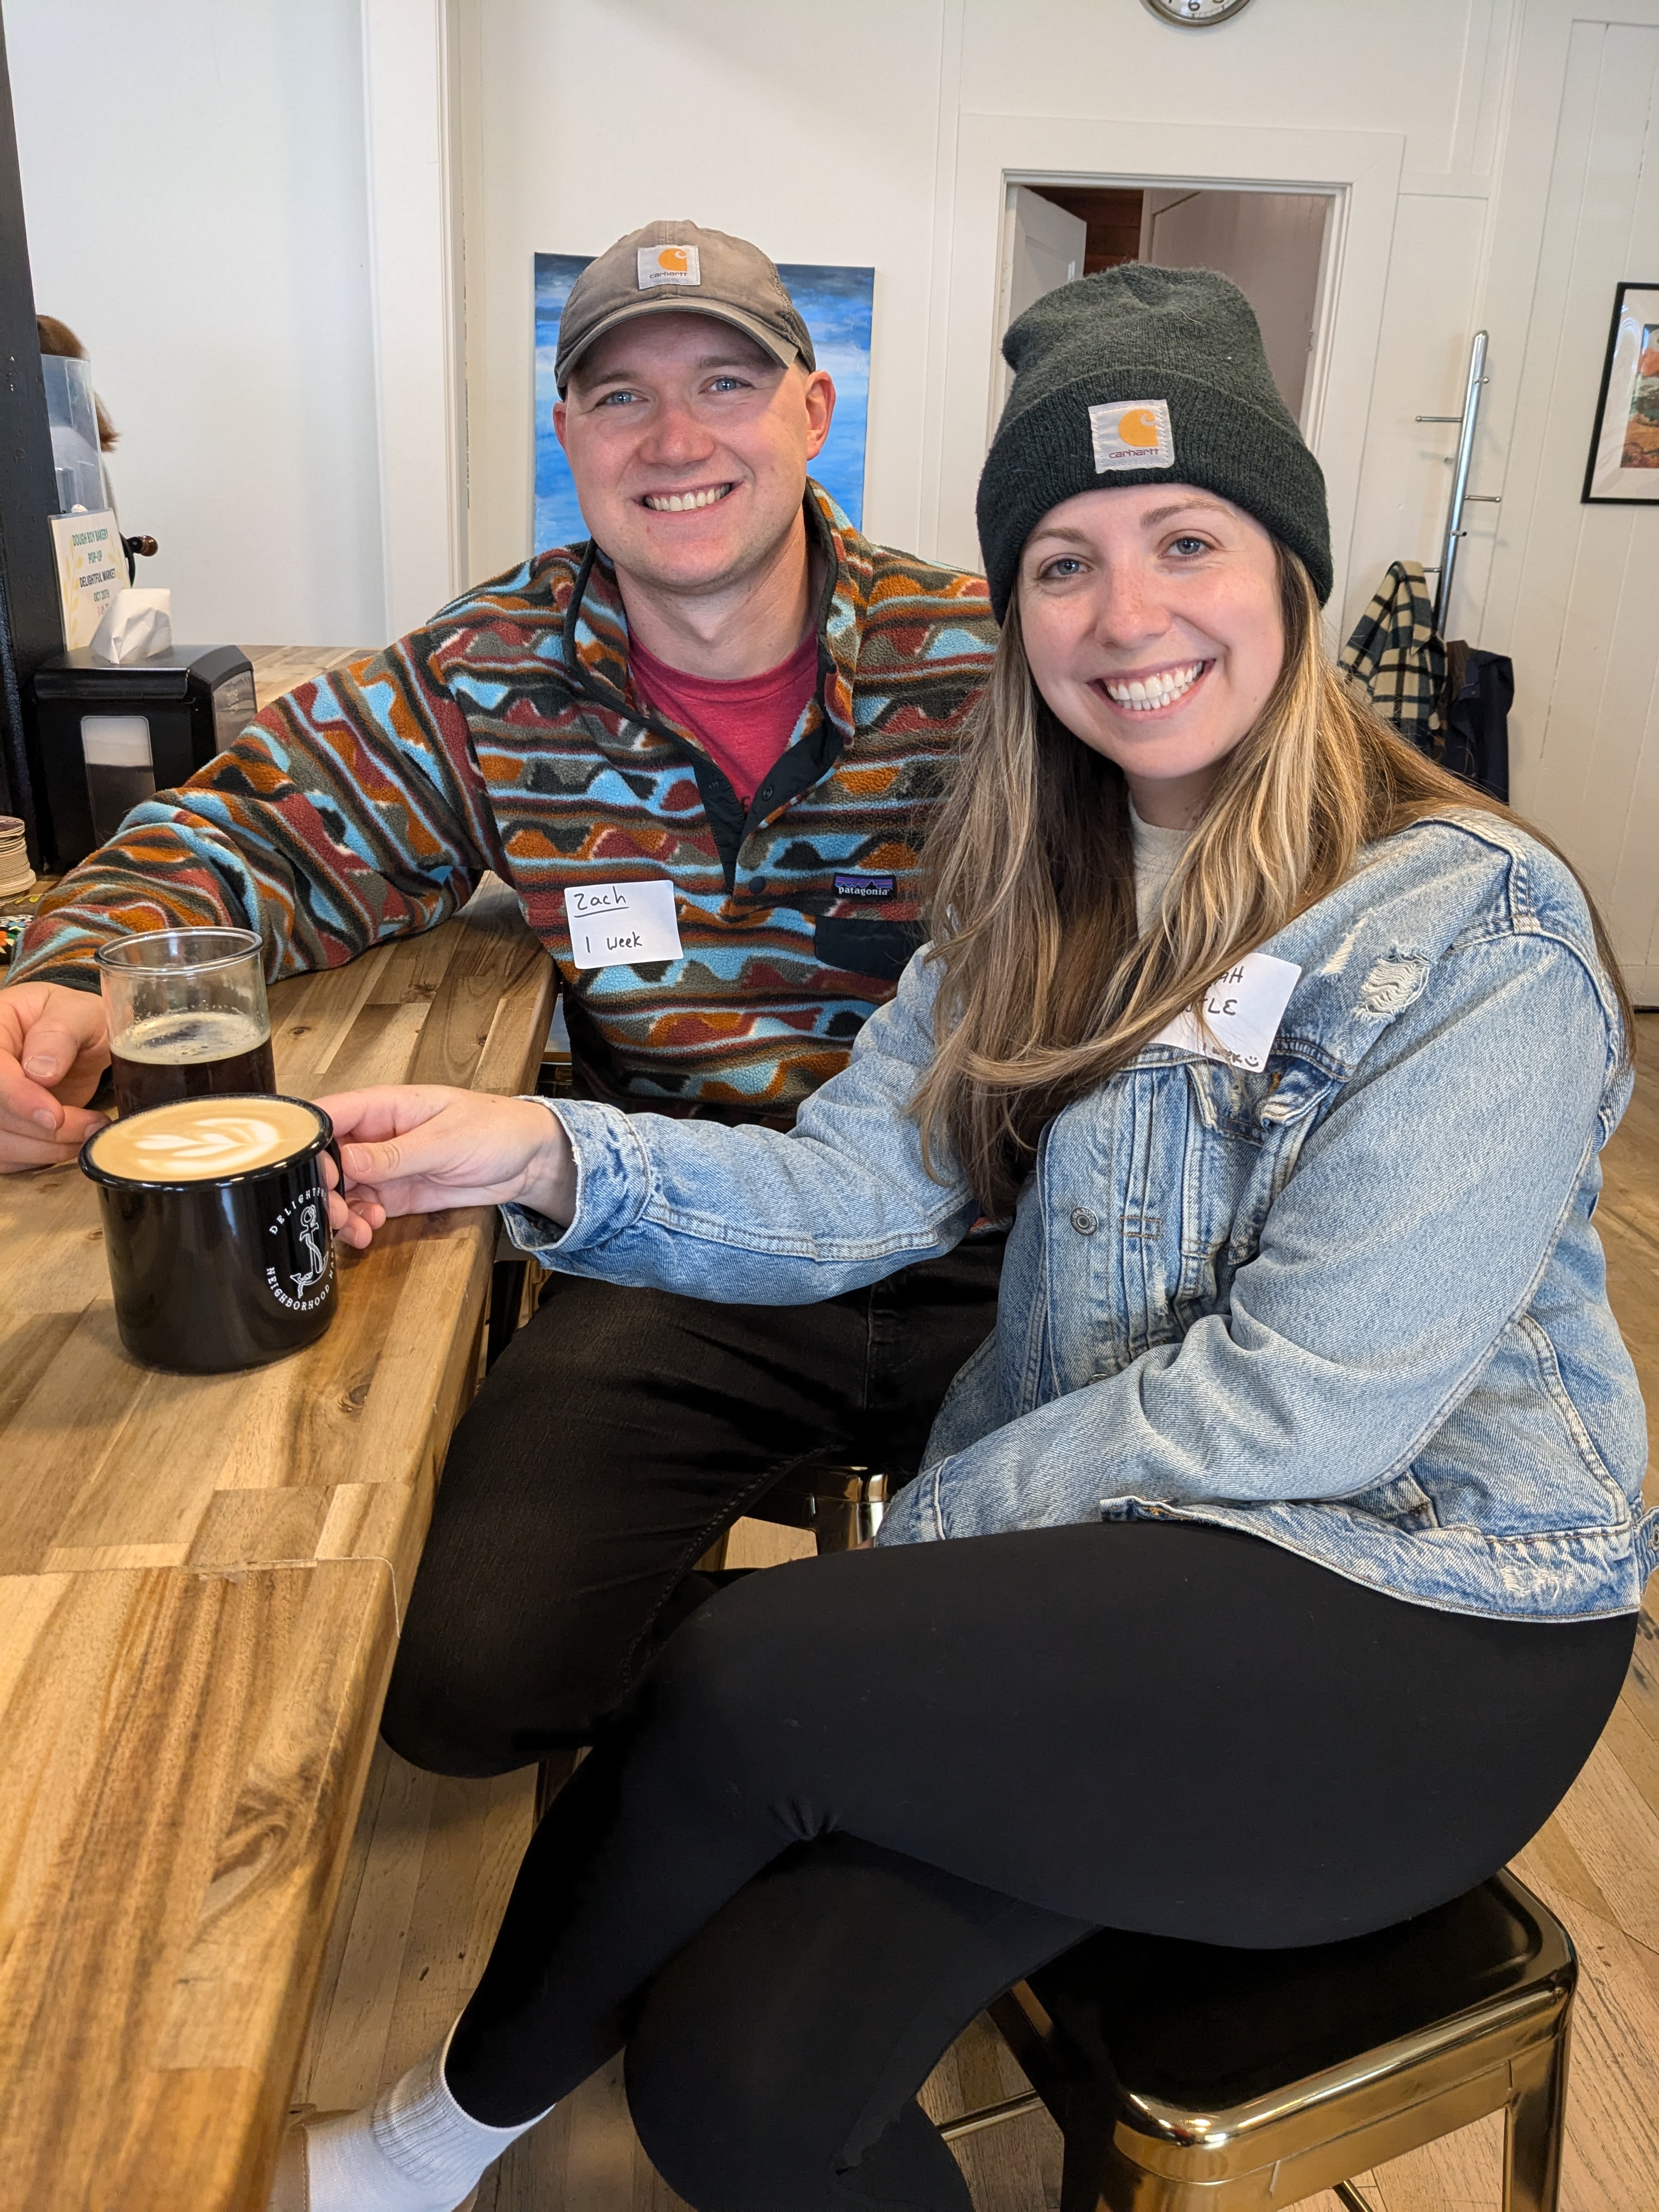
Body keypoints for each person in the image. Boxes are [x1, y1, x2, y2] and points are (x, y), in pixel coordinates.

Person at [269, 267, 1650, 2212]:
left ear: (1292, 574)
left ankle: (446, 2129)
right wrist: (538, 1152)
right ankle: (485, 2110)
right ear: (1010, 612)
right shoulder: (1035, 882)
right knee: (732, 2092)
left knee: (750, 1674)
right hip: (1128, 1594)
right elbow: (852, 1191)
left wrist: (915, 1547)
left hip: (1419, 1628)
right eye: (1063, 562)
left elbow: (1302, 1413)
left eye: (1188, 540)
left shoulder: (1470, 927)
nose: (1129, 615)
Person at [0, 222, 1001, 1771]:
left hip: (994, 1246)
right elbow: (249, 824)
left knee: (1095, 1682)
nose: (674, 440)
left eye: (725, 383)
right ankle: (747, 1716)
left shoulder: (987, 659)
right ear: (570, 436)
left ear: (811, 414)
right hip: (677, 1241)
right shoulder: (490, 676)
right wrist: (74, 970)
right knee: (463, 1682)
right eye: (620, 398)